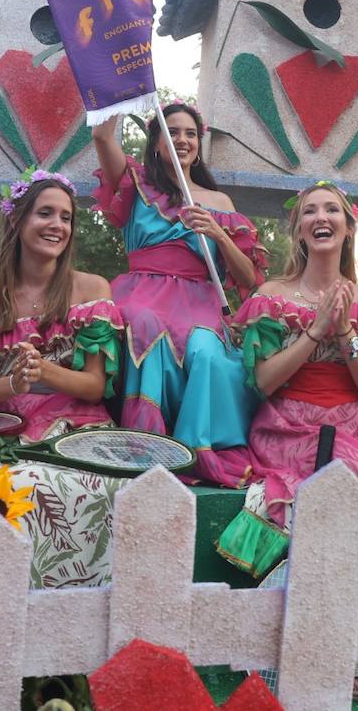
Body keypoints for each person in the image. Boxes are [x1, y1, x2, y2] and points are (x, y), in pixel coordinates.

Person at [215, 181, 358, 703]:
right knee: (352, 481)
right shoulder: (271, 298)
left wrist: (344, 333)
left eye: (332, 209)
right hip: (292, 422)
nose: (321, 216)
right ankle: (353, 644)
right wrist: (314, 331)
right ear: (298, 229)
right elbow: (263, 382)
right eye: (309, 211)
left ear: (348, 226)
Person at [0, 167, 128, 587]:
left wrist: (45, 370)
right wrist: (11, 384)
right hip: (4, 428)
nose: (57, 225)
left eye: (65, 217)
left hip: (76, 427)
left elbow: (95, 386)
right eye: (45, 213)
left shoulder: (91, 289)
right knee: (3, 485)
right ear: (17, 220)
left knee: (61, 487)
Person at [91, 99, 267, 486]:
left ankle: (193, 448)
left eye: (190, 133)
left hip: (200, 299)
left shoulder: (219, 203)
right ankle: (146, 444)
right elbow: (102, 135)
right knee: (144, 323)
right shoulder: (136, 183)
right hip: (143, 291)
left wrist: (218, 233)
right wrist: (118, 85)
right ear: (156, 143)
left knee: (206, 351)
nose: (183, 140)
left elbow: (249, 278)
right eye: (172, 132)